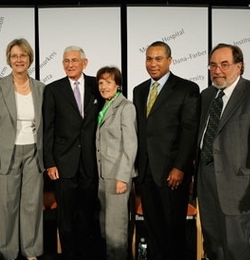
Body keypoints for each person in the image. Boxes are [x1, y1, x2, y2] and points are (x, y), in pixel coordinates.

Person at [132, 41, 200, 260]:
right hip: (146, 172)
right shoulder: (139, 90)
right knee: (153, 230)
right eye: (149, 59)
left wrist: (180, 167)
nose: (153, 63)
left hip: (172, 173)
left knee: (173, 231)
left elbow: (189, 131)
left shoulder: (187, 89)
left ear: (170, 61)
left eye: (158, 59)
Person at [196, 43, 250, 260]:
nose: (217, 70)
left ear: (239, 66)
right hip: (206, 180)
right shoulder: (206, 95)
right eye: (213, 65)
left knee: (236, 247)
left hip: (237, 185)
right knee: (213, 246)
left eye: (224, 64)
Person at [43, 45, 103, 260]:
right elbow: (47, 128)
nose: (70, 64)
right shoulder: (53, 90)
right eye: (66, 61)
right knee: (66, 218)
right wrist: (49, 162)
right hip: (63, 164)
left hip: (91, 163)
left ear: (84, 63)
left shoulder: (99, 85)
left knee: (88, 215)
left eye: (74, 60)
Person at [0, 38, 44, 260]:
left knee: (31, 204)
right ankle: (8, 252)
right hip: (6, 153)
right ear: (9, 60)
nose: (19, 59)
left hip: (33, 152)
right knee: (7, 205)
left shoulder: (40, 88)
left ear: (30, 58)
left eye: (23, 55)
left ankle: (31, 251)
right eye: (14, 56)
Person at [95, 66, 137, 260]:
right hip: (103, 175)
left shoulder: (126, 107)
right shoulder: (104, 106)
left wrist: (123, 177)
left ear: (118, 85)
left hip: (117, 177)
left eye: (109, 82)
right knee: (106, 228)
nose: (104, 86)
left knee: (116, 231)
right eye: (101, 82)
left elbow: (130, 145)